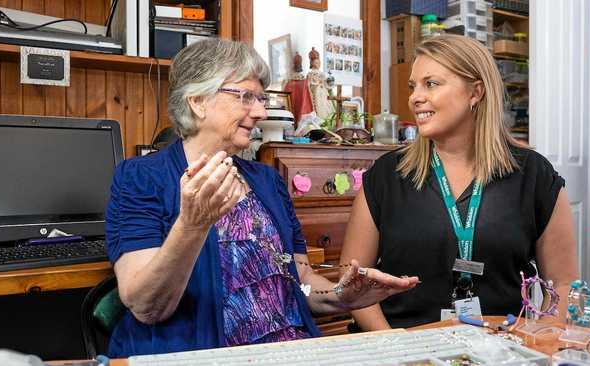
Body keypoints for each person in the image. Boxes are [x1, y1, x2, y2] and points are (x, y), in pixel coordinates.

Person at [104, 38, 419, 357]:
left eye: (261, 98)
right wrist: (191, 226)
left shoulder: (267, 180)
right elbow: (146, 307)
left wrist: (340, 296)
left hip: (292, 352)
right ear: (198, 101)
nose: (260, 111)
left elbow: (300, 282)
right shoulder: (141, 178)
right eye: (245, 97)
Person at [340, 35, 578, 331]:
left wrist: (540, 345)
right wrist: (396, 349)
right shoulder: (386, 176)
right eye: (413, 86)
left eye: (431, 84)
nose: (415, 97)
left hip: (499, 350)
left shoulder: (534, 175)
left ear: (475, 93)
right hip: (400, 349)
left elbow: (564, 284)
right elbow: (353, 283)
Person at [306, 47, 335, 120]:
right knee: (318, 108)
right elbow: (308, 85)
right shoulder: (310, 74)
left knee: (326, 108)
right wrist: (317, 82)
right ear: (312, 63)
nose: (318, 64)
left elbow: (327, 85)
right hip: (316, 95)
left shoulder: (322, 74)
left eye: (319, 62)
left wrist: (329, 83)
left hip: (324, 95)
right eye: (316, 62)